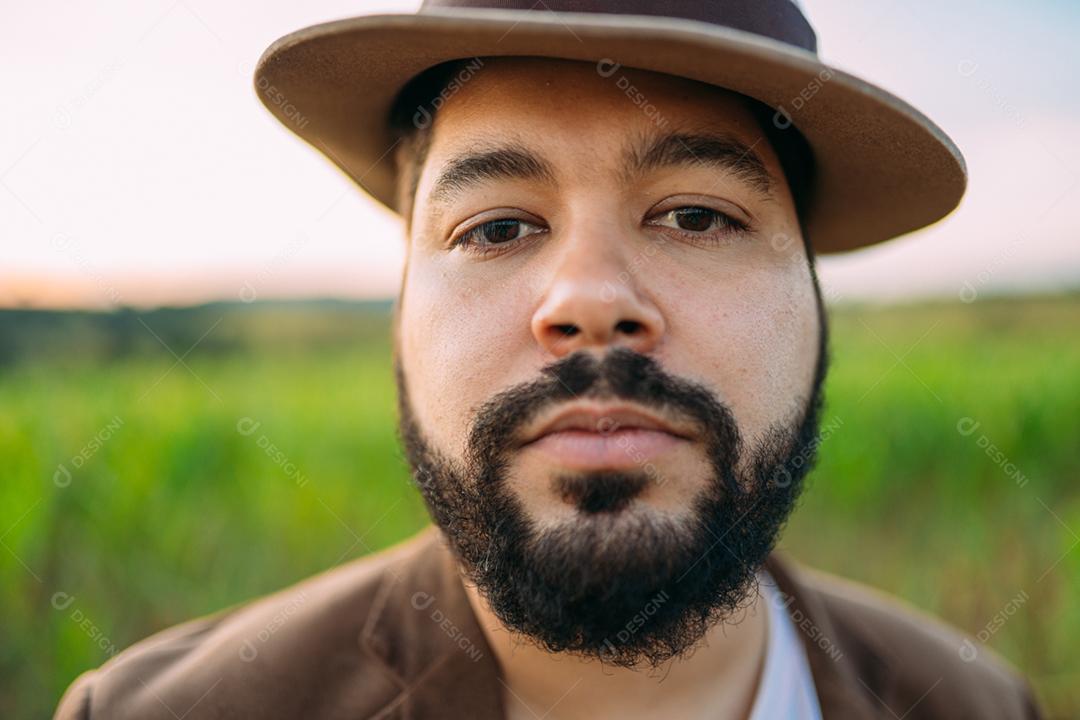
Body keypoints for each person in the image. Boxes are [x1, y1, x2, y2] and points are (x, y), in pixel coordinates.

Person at [55, 1, 1043, 717]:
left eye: (698, 215)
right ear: (400, 312)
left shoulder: (980, 701)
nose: (589, 302)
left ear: (817, 308)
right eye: (496, 228)